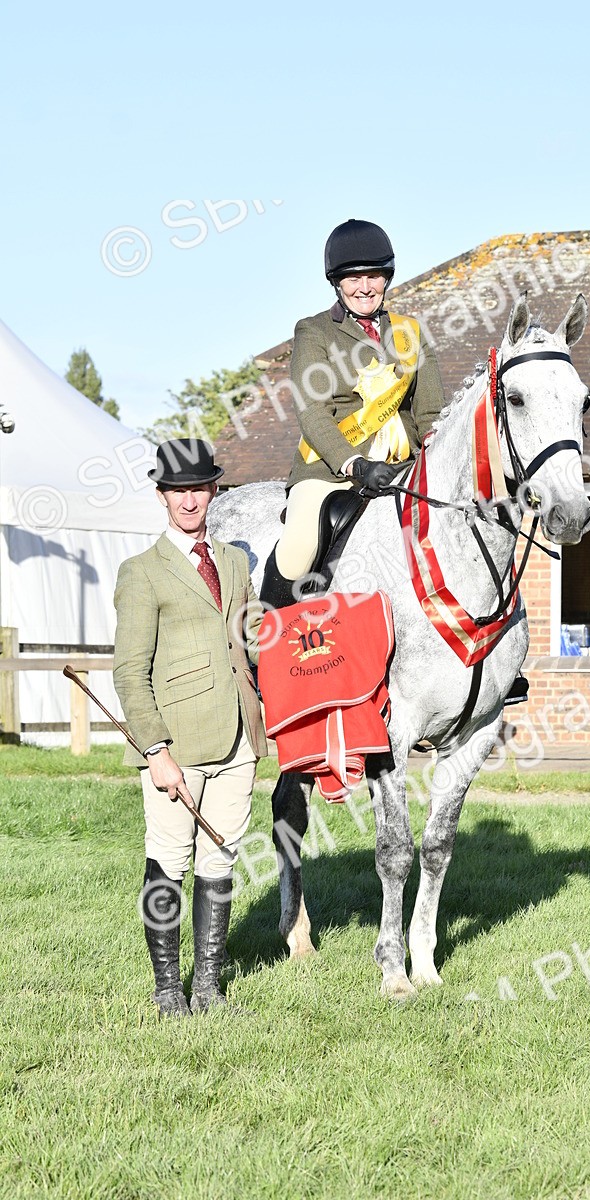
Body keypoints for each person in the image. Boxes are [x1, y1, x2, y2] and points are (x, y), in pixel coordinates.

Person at [113, 439, 268, 1018]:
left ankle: (207, 987)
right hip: (175, 746)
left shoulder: (235, 562)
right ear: (161, 496)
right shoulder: (141, 572)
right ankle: (166, 990)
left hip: (238, 740)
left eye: (198, 489)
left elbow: (251, 641)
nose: (188, 501)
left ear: (213, 491)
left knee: (220, 859)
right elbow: (129, 673)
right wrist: (155, 750)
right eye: (178, 491)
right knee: (169, 860)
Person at [260, 218, 446, 609]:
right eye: (353, 278)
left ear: (386, 278)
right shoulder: (314, 332)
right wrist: (354, 463)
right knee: (298, 549)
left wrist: (436, 453)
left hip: (403, 469)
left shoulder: (411, 333)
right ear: (337, 282)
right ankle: (267, 635)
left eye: (373, 276)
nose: (364, 287)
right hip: (331, 471)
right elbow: (312, 412)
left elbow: (430, 412)